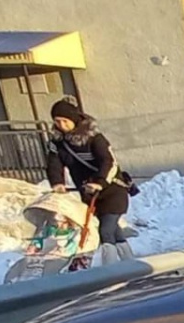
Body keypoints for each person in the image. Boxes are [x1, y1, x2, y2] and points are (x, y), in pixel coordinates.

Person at [46, 98, 134, 264]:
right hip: (89, 194)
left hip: (112, 190)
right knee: (113, 230)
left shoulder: (94, 138)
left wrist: (99, 182)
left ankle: (111, 269)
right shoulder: (57, 143)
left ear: (74, 120)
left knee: (105, 230)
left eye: (65, 121)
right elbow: (54, 164)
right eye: (57, 121)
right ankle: (130, 263)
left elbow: (109, 162)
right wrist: (57, 182)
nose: (61, 125)